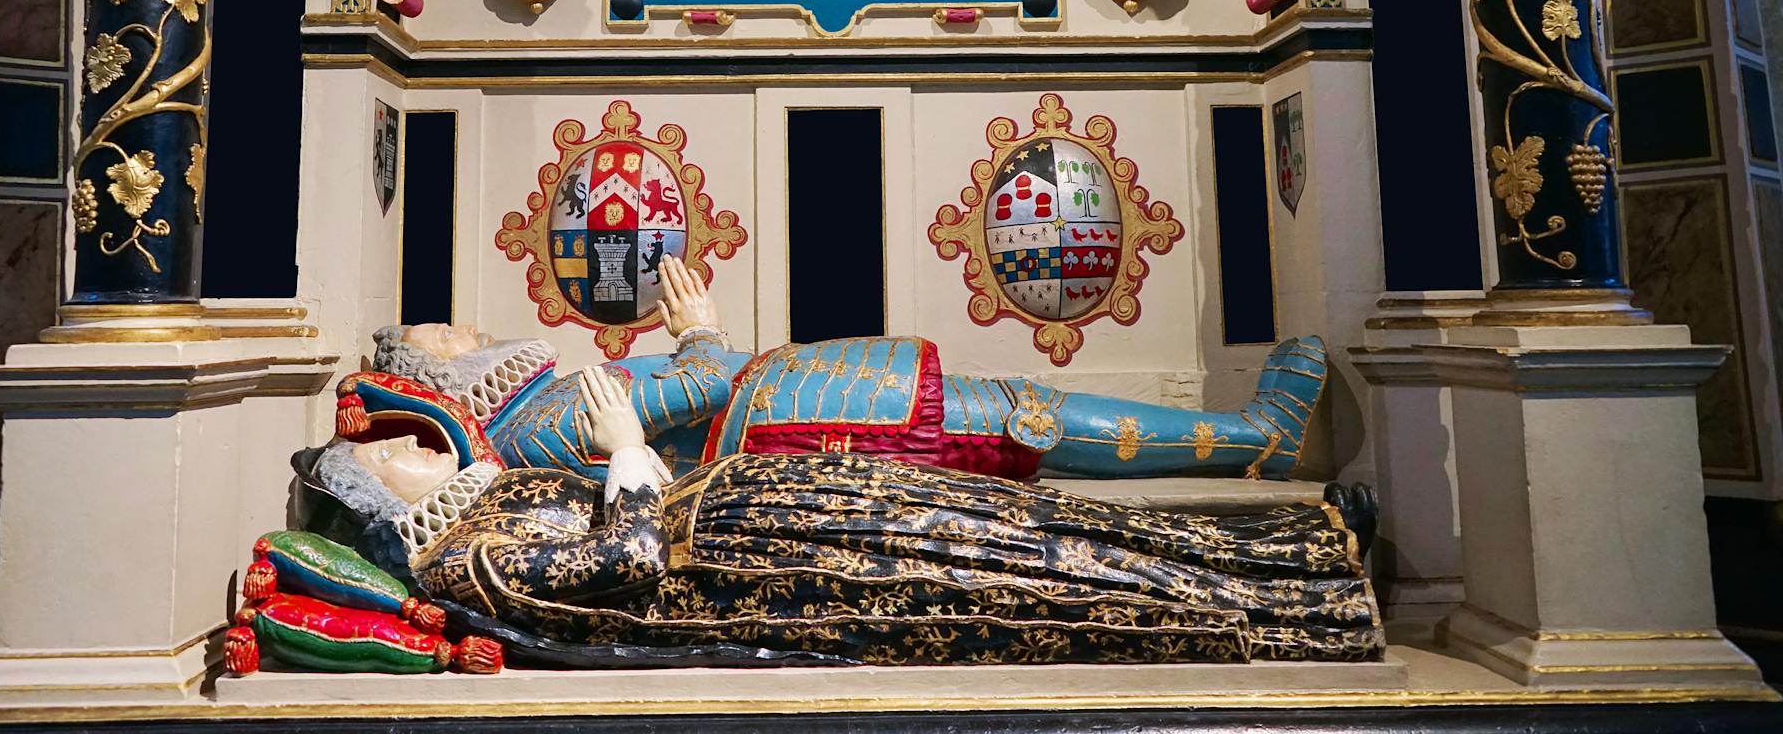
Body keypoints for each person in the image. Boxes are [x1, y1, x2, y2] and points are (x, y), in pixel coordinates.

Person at [305, 364, 1381, 668]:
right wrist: (630, 445)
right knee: (1045, 569)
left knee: (1051, 523)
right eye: (384, 455)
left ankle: (1295, 544)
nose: (408, 444)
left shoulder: (483, 498)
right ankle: (1310, 600)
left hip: (790, 510)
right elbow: (623, 564)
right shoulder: (461, 557)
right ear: (379, 510)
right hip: (783, 561)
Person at [357, 257, 1329, 486]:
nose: (468, 325)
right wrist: (700, 328)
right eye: (447, 331)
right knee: (1019, 419)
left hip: (796, 409)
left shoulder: (534, 409)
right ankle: (1255, 438)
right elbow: (694, 389)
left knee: (1017, 420)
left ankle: (1247, 438)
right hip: (801, 417)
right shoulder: (536, 418)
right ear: (444, 370)